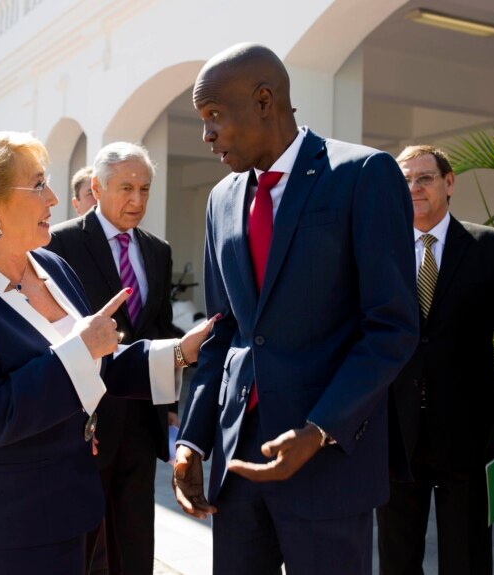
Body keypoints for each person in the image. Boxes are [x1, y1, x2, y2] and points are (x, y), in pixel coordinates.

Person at [0, 131, 215, 575]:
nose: (53, 197)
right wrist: (80, 347)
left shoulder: (50, 265)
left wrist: (179, 353)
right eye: (36, 185)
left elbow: (97, 362)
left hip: (69, 511)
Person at [172, 43, 418, 574]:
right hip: (237, 466)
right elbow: (223, 331)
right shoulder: (221, 200)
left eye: (214, 116)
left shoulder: (362, 175)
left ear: (265, 101)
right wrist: (192, 436)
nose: (206, 134)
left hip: (327, 462)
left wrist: (320, 429)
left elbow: (391, 328)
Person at [376, 145, 494, 574]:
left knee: (466, 558)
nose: (413, 188)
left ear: (449, 183)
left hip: (467, 434)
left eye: (424, 178)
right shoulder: (378, 252)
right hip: (396, 433)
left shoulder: (491, 248)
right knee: (396, 559)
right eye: (404, 181)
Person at [47, 142, 180, 575]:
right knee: (83, 543)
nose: (137, 200)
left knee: (136, 537)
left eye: (145, 189)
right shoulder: (59, 244)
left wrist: (173, 397)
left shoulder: (157, 250)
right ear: (97, 188)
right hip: (87, 422)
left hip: (142, 420)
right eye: (126, 188)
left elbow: (157, 330)